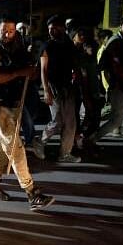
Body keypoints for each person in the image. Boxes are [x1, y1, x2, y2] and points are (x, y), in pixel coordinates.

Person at [0, 16, 56, 208]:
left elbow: (29, 68)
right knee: (16, 148)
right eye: (4, 30)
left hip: (14, 105)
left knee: (3, 149)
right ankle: (32, 192)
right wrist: (19, 73)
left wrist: (29, 67)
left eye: (11, 31)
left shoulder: (16, 49)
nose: (7, 34)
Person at [86, 16, 123, 160]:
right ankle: (90, 139)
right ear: (121, 26)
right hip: (118, 86)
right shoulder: (115, 42)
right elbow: (117, 67)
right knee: (116, 120)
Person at [39, 15, 81, 163]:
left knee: (70, 122)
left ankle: (65, 153)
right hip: (53, 85)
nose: (51, 31)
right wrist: (46, 90)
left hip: (67, 86)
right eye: (49, 29)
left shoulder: (69, 44)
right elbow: (43, 70)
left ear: (62, 28)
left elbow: (75, 64)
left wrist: (77, 76)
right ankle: (40, 142)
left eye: (54, 28)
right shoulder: (47, 46)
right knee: (57, 121)